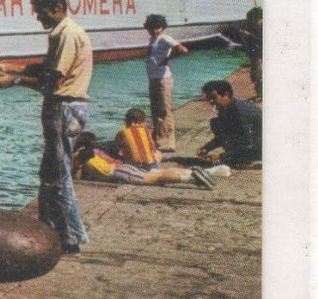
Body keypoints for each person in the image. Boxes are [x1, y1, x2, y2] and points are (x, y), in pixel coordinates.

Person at [0, 0, 91, 254]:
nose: (38, 18)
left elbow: (53, 79)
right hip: (64, 109)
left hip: (63, 108)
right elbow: (46, 67)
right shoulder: (61, 33)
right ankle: (47, 230)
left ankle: (71, 238)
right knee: (48, 173)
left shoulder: (67, 34)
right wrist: (8, 66)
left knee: (59, 175)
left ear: (57, 7)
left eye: (41, 12)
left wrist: (16, 81)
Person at [72, 132, 215, 189]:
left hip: (117, 172)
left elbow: (78, 178)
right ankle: (191, 172)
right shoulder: (98, 151)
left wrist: (77, 166)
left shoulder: (79, 156)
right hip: (123, 167)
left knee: (157, 178)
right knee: (158, 172)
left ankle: (191, 178)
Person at [143, 14, 189, 153]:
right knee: (155, 109)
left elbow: (183, 49)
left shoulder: (164, 38)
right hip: (153, 78)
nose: (154, 30)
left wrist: (168, 59)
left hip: (163, 79)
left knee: (165, 109)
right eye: (151, 28)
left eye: (157, 28)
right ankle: (159, 139)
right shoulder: (153, 39)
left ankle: (169, 142)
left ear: (162, 28)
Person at [198, 80, 263, 166]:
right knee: (215, 122)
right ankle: (235, 156)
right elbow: (224, 135)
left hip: (262, 148)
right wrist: (206, 148)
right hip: (252, 143)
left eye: (213, 98)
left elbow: (249, 145)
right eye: (209, 98)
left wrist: (222, 156)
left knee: (218, 123)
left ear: (225, 95)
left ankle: (240, 158)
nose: (211, 102)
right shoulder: (226, 107)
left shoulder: (240, 111)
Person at [237, 7, 263, 101]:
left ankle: (261, 95)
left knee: (259, 75)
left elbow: (261, 41)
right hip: (255, 55)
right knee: (255, 75)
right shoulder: (256, 28)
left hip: (259, 55)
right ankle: (260, 94)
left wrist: (248, 35)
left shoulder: (261, 28)